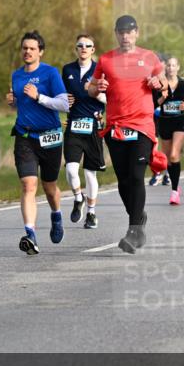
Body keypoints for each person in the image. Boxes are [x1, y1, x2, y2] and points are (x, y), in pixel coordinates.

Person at [87, 15, 166, 253]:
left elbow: (164, 82)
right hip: (115, 127)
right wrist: (96, 88)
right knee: (123, 180)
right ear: (116, 33)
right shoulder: (106, 60)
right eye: (121, 32)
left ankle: (135, 230)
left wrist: (158, 83)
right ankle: (138, 215)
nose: (125, 36)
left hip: (142, 125)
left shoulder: (149, 57)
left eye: (129, 32)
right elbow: (91, 87)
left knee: (135, 174)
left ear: (136, 33)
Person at [6, 31, 68, 254]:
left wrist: (38, 97)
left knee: (49, 188)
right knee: (28, 185)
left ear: (40, 51)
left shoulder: (50, 73)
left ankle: (56, 215)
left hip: (50, 137)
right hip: (25, 137)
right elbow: (22, 105)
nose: (27, 52)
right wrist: (13, 102)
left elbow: (64, 104)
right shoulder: (16, 75)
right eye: (24, 48)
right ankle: (30, 234)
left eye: (32, 48)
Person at [62, 33, 105, 229]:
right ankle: (78, 197)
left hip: (93, 126)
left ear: (93, 50)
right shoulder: (67, 70)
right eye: (80, 45)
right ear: (76, 49)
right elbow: (61, 94)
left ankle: (91, 213)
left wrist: (95, 93)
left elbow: (110, 99)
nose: (84, 48)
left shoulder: (100, 71)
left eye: (88, 45)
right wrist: (64, 102)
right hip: (73, 124)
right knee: (71, 169)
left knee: (90, 174)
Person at [153, 56, 184, 205]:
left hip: (179, 122)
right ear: (166, 68)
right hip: (164, 122)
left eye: (173, 65)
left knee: (174, 154)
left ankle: (175, 191)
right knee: (168, 159)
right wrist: (162, 99)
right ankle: (175, 184)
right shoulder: (159, 85)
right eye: (168, 65)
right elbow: (153, 104)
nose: (170, 68)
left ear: (178, 67)